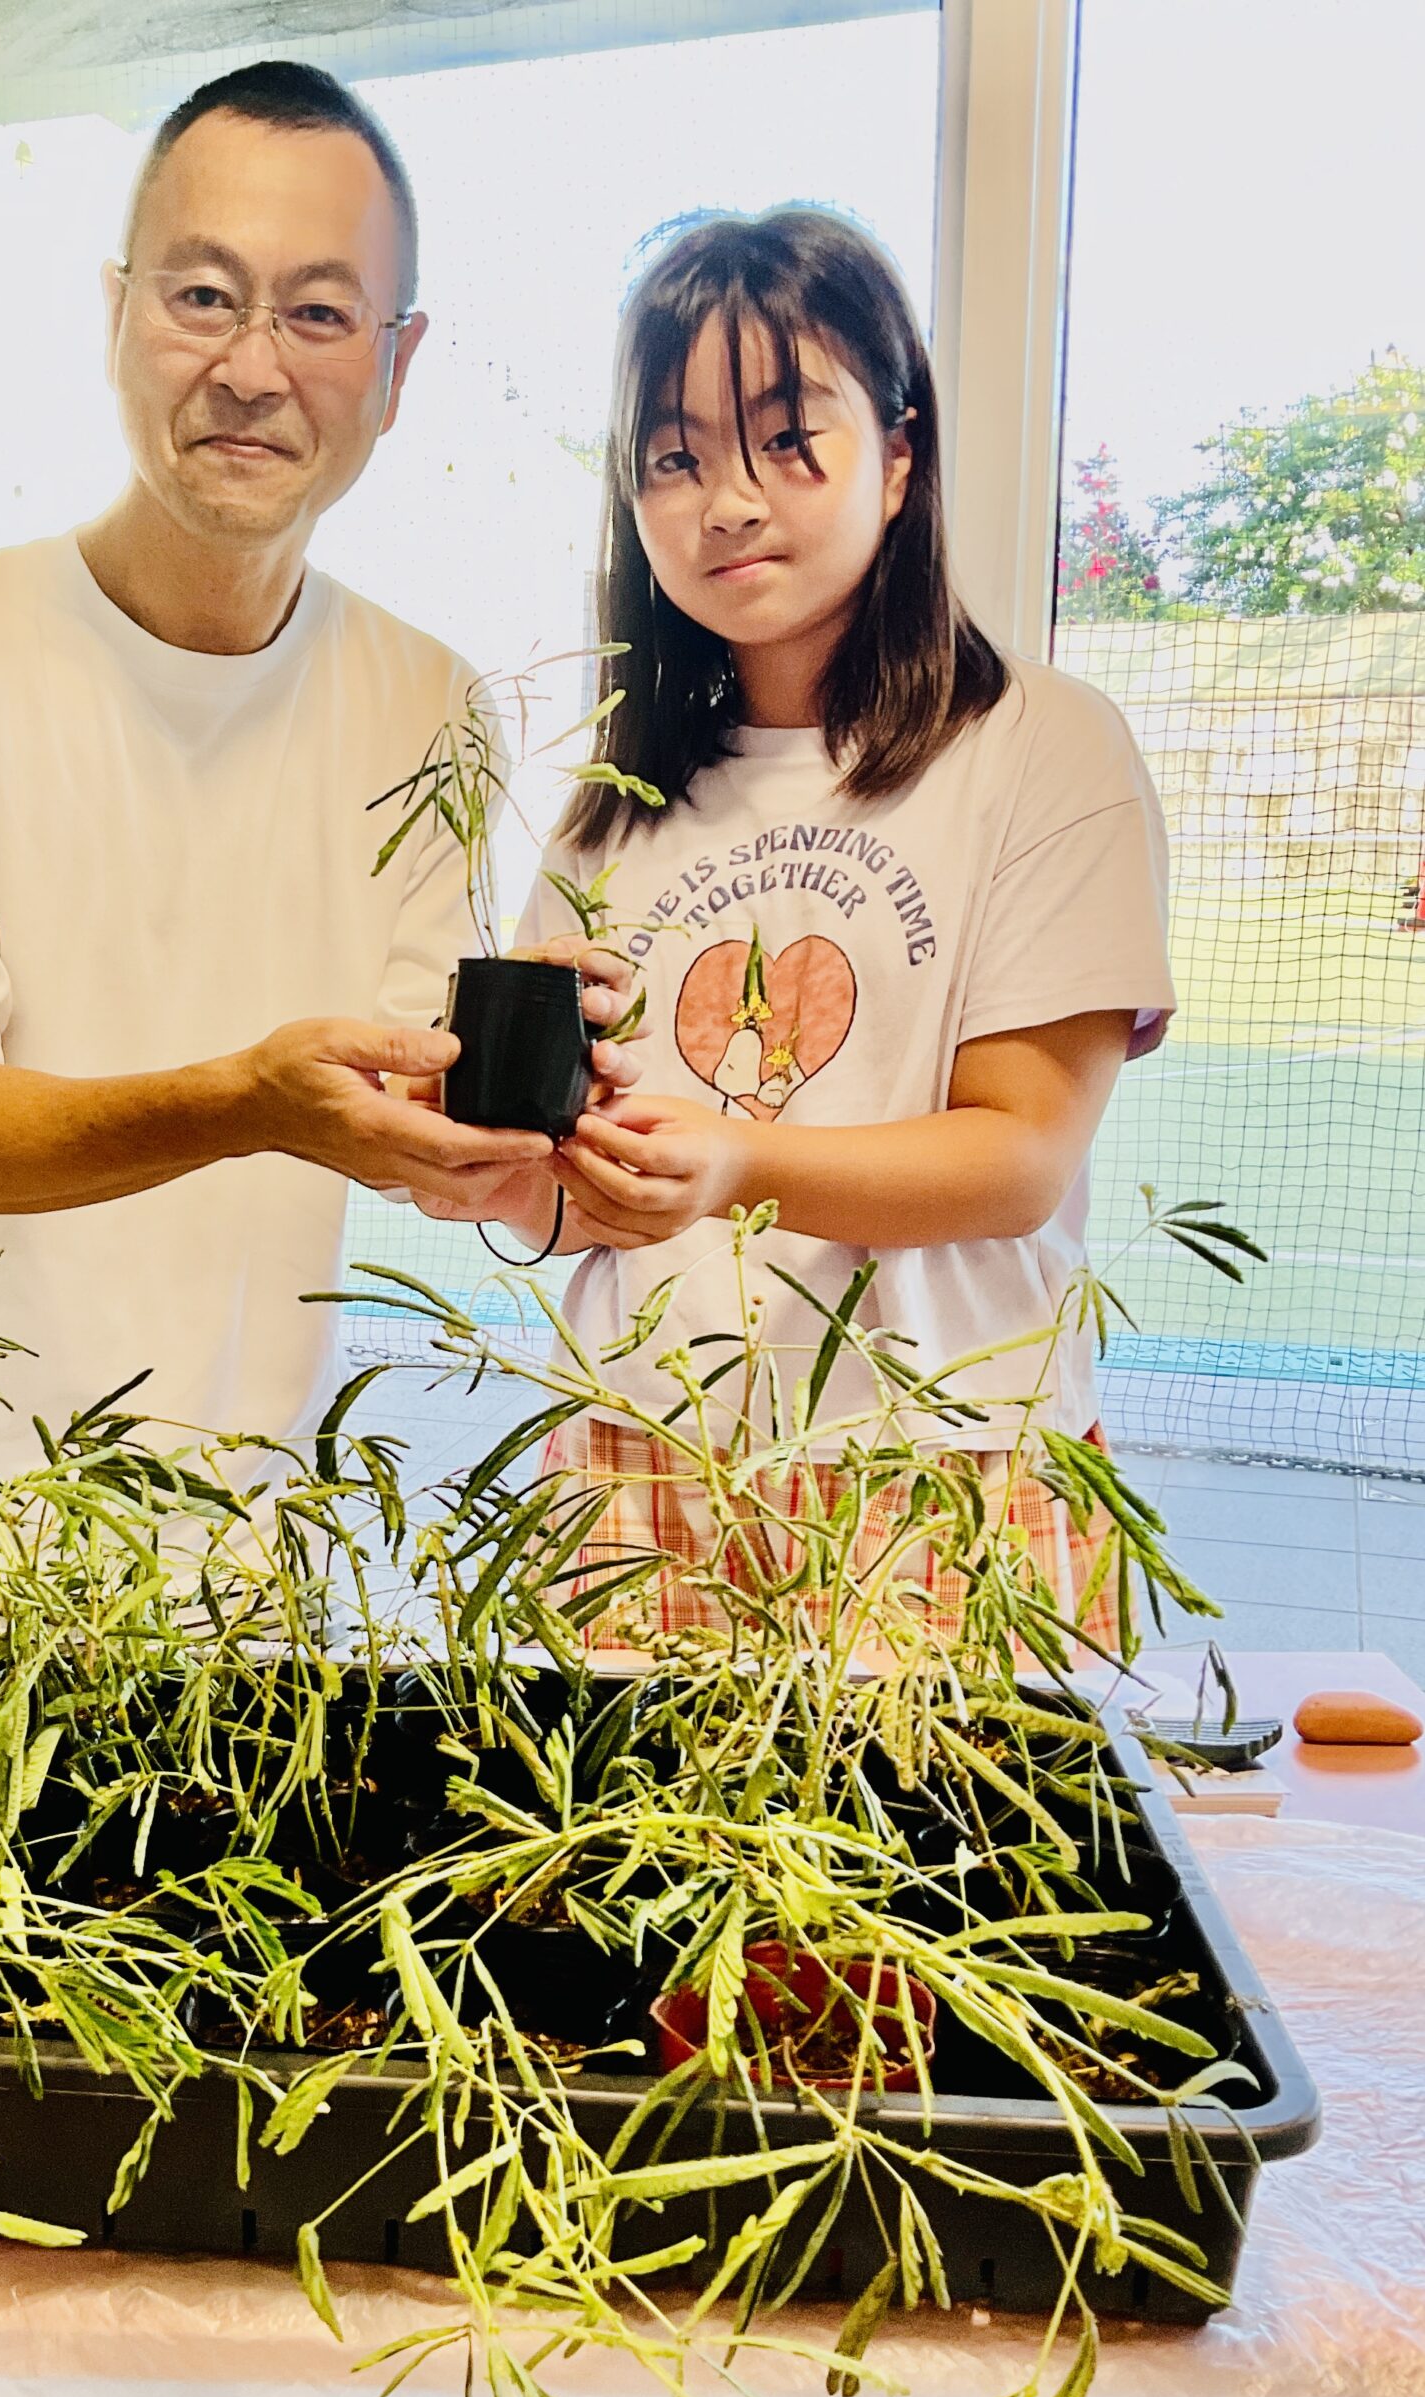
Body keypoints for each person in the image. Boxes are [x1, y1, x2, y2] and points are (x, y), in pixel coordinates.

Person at [0, 60, 632, 1467]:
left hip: (236, 1527)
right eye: (203, 296)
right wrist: (243, 1104)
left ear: (395, 367)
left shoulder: (431, 705)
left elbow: (403, 1095)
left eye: (317, 312)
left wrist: (525, 1067)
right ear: (116, 315)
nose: (251, 367)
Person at [415, 208, 1176, 1642]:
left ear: (900, 456)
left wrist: (736, 1164)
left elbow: (1018, 1155)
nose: (729, 500)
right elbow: (578, 1196)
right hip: (642, 1464)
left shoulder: (1038, 750)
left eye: (787, 439)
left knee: (963, 1874)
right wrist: (478, 1173)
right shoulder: (612, 804)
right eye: (676, 456)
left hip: (947, 1464)